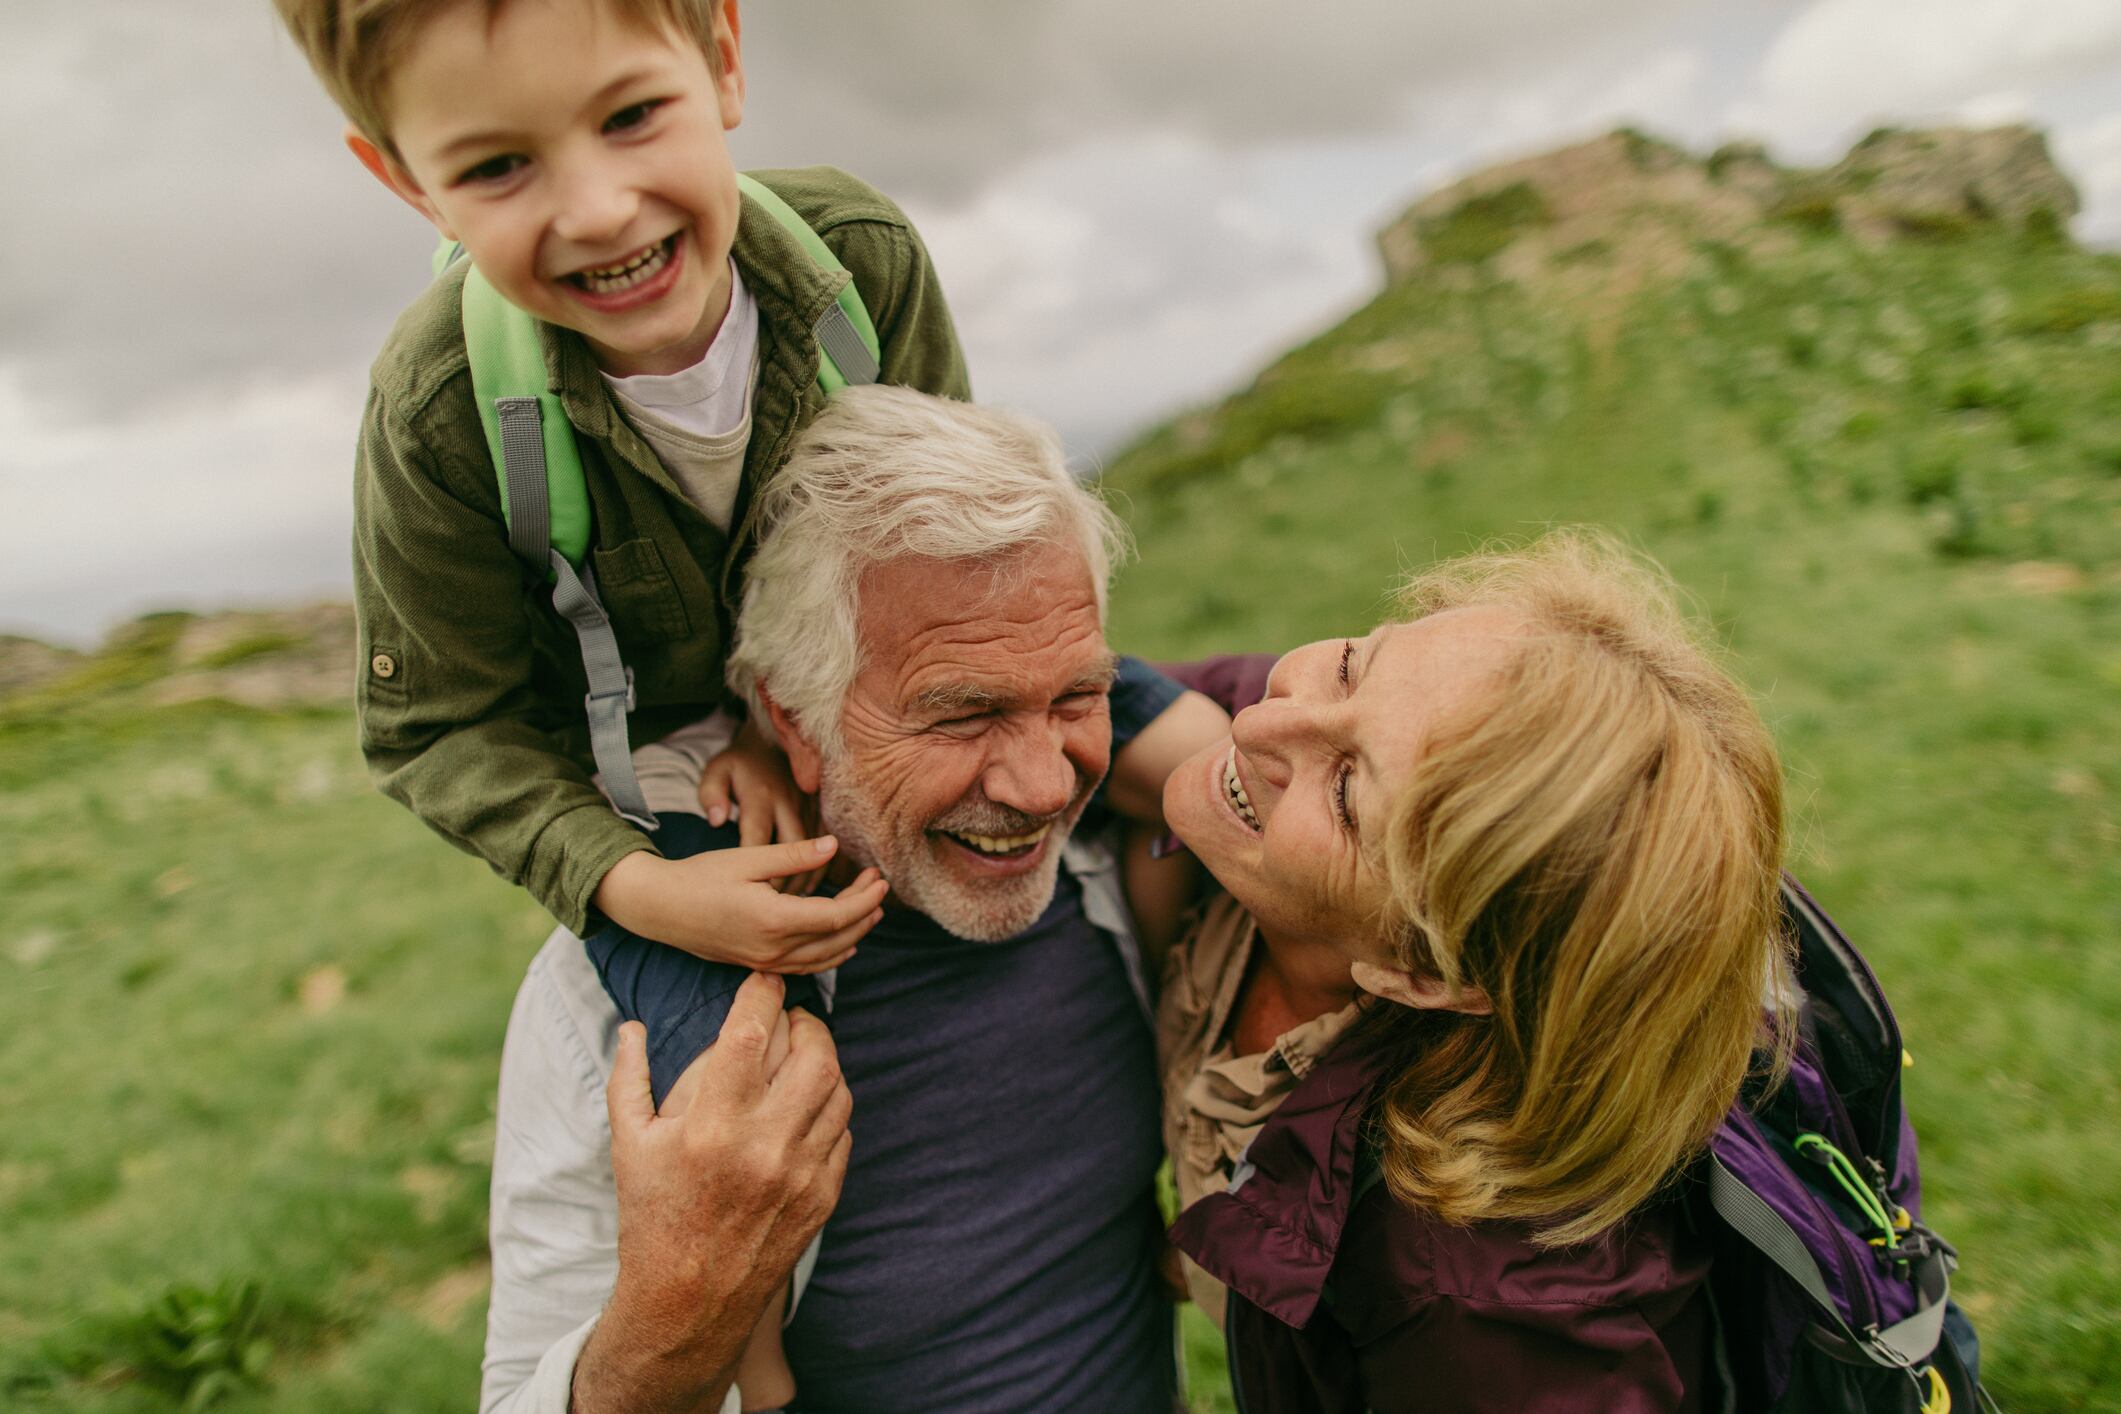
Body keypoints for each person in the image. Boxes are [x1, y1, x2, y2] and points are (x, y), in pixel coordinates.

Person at [269, 4, 1208, 1399]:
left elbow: (951, 555)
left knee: (1119, 715)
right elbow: (434, 725)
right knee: (730, 1041)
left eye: (631, 116)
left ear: (723, 57)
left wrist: (792, 732)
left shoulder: (856, 266)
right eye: (497, 168)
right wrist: (643, 889)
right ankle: (755, 1362)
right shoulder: (445, 410)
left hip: (853, 690)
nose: (596, 210)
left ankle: (1250, 894)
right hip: (650, 789)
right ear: (402, 178)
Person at [483, 386, 1216, 1414]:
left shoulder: (1126, 863)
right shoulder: (612, 1014)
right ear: (792, 720)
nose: (1045, 785)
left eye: (1076, 696)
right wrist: (682, 1308)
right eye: (962, 714)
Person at [1148, 532, 1792, 1411]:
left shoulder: (1479, 1307)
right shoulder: (1318, 771)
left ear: (1423, 977)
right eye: (1351, 663)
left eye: (1344, 793)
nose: (1259, 721)